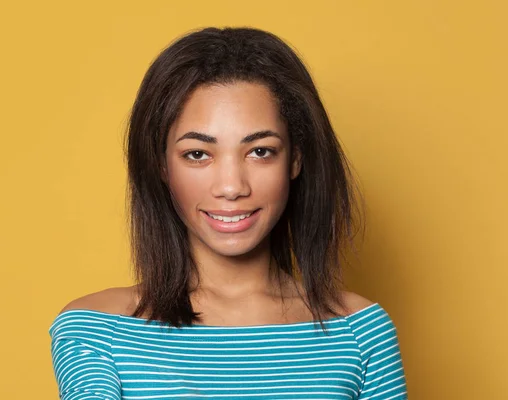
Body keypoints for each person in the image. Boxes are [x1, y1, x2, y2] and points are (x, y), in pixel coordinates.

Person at [49, 26, 408, 399]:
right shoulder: (96, 329)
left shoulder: (361, 332)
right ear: (161, 166)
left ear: (296, 159)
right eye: (198, 154)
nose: (232, 186)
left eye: (260, 151)